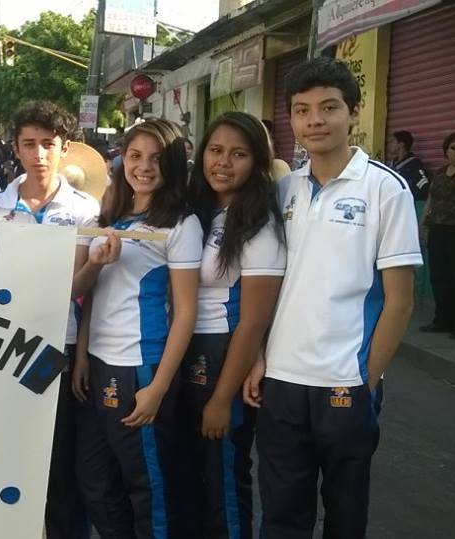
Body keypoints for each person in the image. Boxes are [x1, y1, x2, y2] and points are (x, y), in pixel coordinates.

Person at [243, 57, 421, 538]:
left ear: (354, 112)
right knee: (281, 514)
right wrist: (259, 357)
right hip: (281, 380)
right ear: (292, 119)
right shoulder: (283, 191)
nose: (315, 120)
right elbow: (266, 285)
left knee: (345, 515)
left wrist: (368, 377)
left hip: (346, 381)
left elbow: (400, 299)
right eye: (302, 110)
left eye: (329, 107)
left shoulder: (385, 189)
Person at [71, 118, 202, 538]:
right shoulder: (108, 215)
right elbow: (90, 293)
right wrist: (82, 355)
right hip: (97, 362)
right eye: (135, 156)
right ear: (121, 160)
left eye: (156, 159)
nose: (144, 167)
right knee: (95, 480)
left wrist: (158, 387)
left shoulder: (180, 224)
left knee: (147, 487)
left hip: (140, 366)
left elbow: (185, 312)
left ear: (172, 165)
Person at [0, 100, 101, 539]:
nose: (39, 154)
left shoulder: (86, 209)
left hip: (59, 342)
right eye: (29, 144)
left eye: (48, 144)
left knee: (59, 459)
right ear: (15, 147)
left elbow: (81, 286)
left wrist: (83, 352)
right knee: (9, 452)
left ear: (65, 148)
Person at [180, 111, 286, 538]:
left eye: (238, 154)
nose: (223, 162)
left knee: (223, 478)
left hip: (223, 354)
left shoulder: (258, 223)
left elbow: (254, 320)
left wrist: (222, 399)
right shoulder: (197, 209)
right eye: (216, 150)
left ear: (257, 161)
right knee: (189, 477)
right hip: (182, 349)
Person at [419, 131, 455, 338]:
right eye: (454, 148)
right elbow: (431, 198)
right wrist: (423, 222)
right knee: (439, 276)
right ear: (446, 151)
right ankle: (442, 320)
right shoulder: (440, 172)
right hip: (437, 229)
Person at [386, 130, 430, 206]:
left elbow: (423, 184)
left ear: (401, 144)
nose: (388, 145)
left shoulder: (414, 163)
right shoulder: (391, 164)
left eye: (392, 142)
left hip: (407, 204)